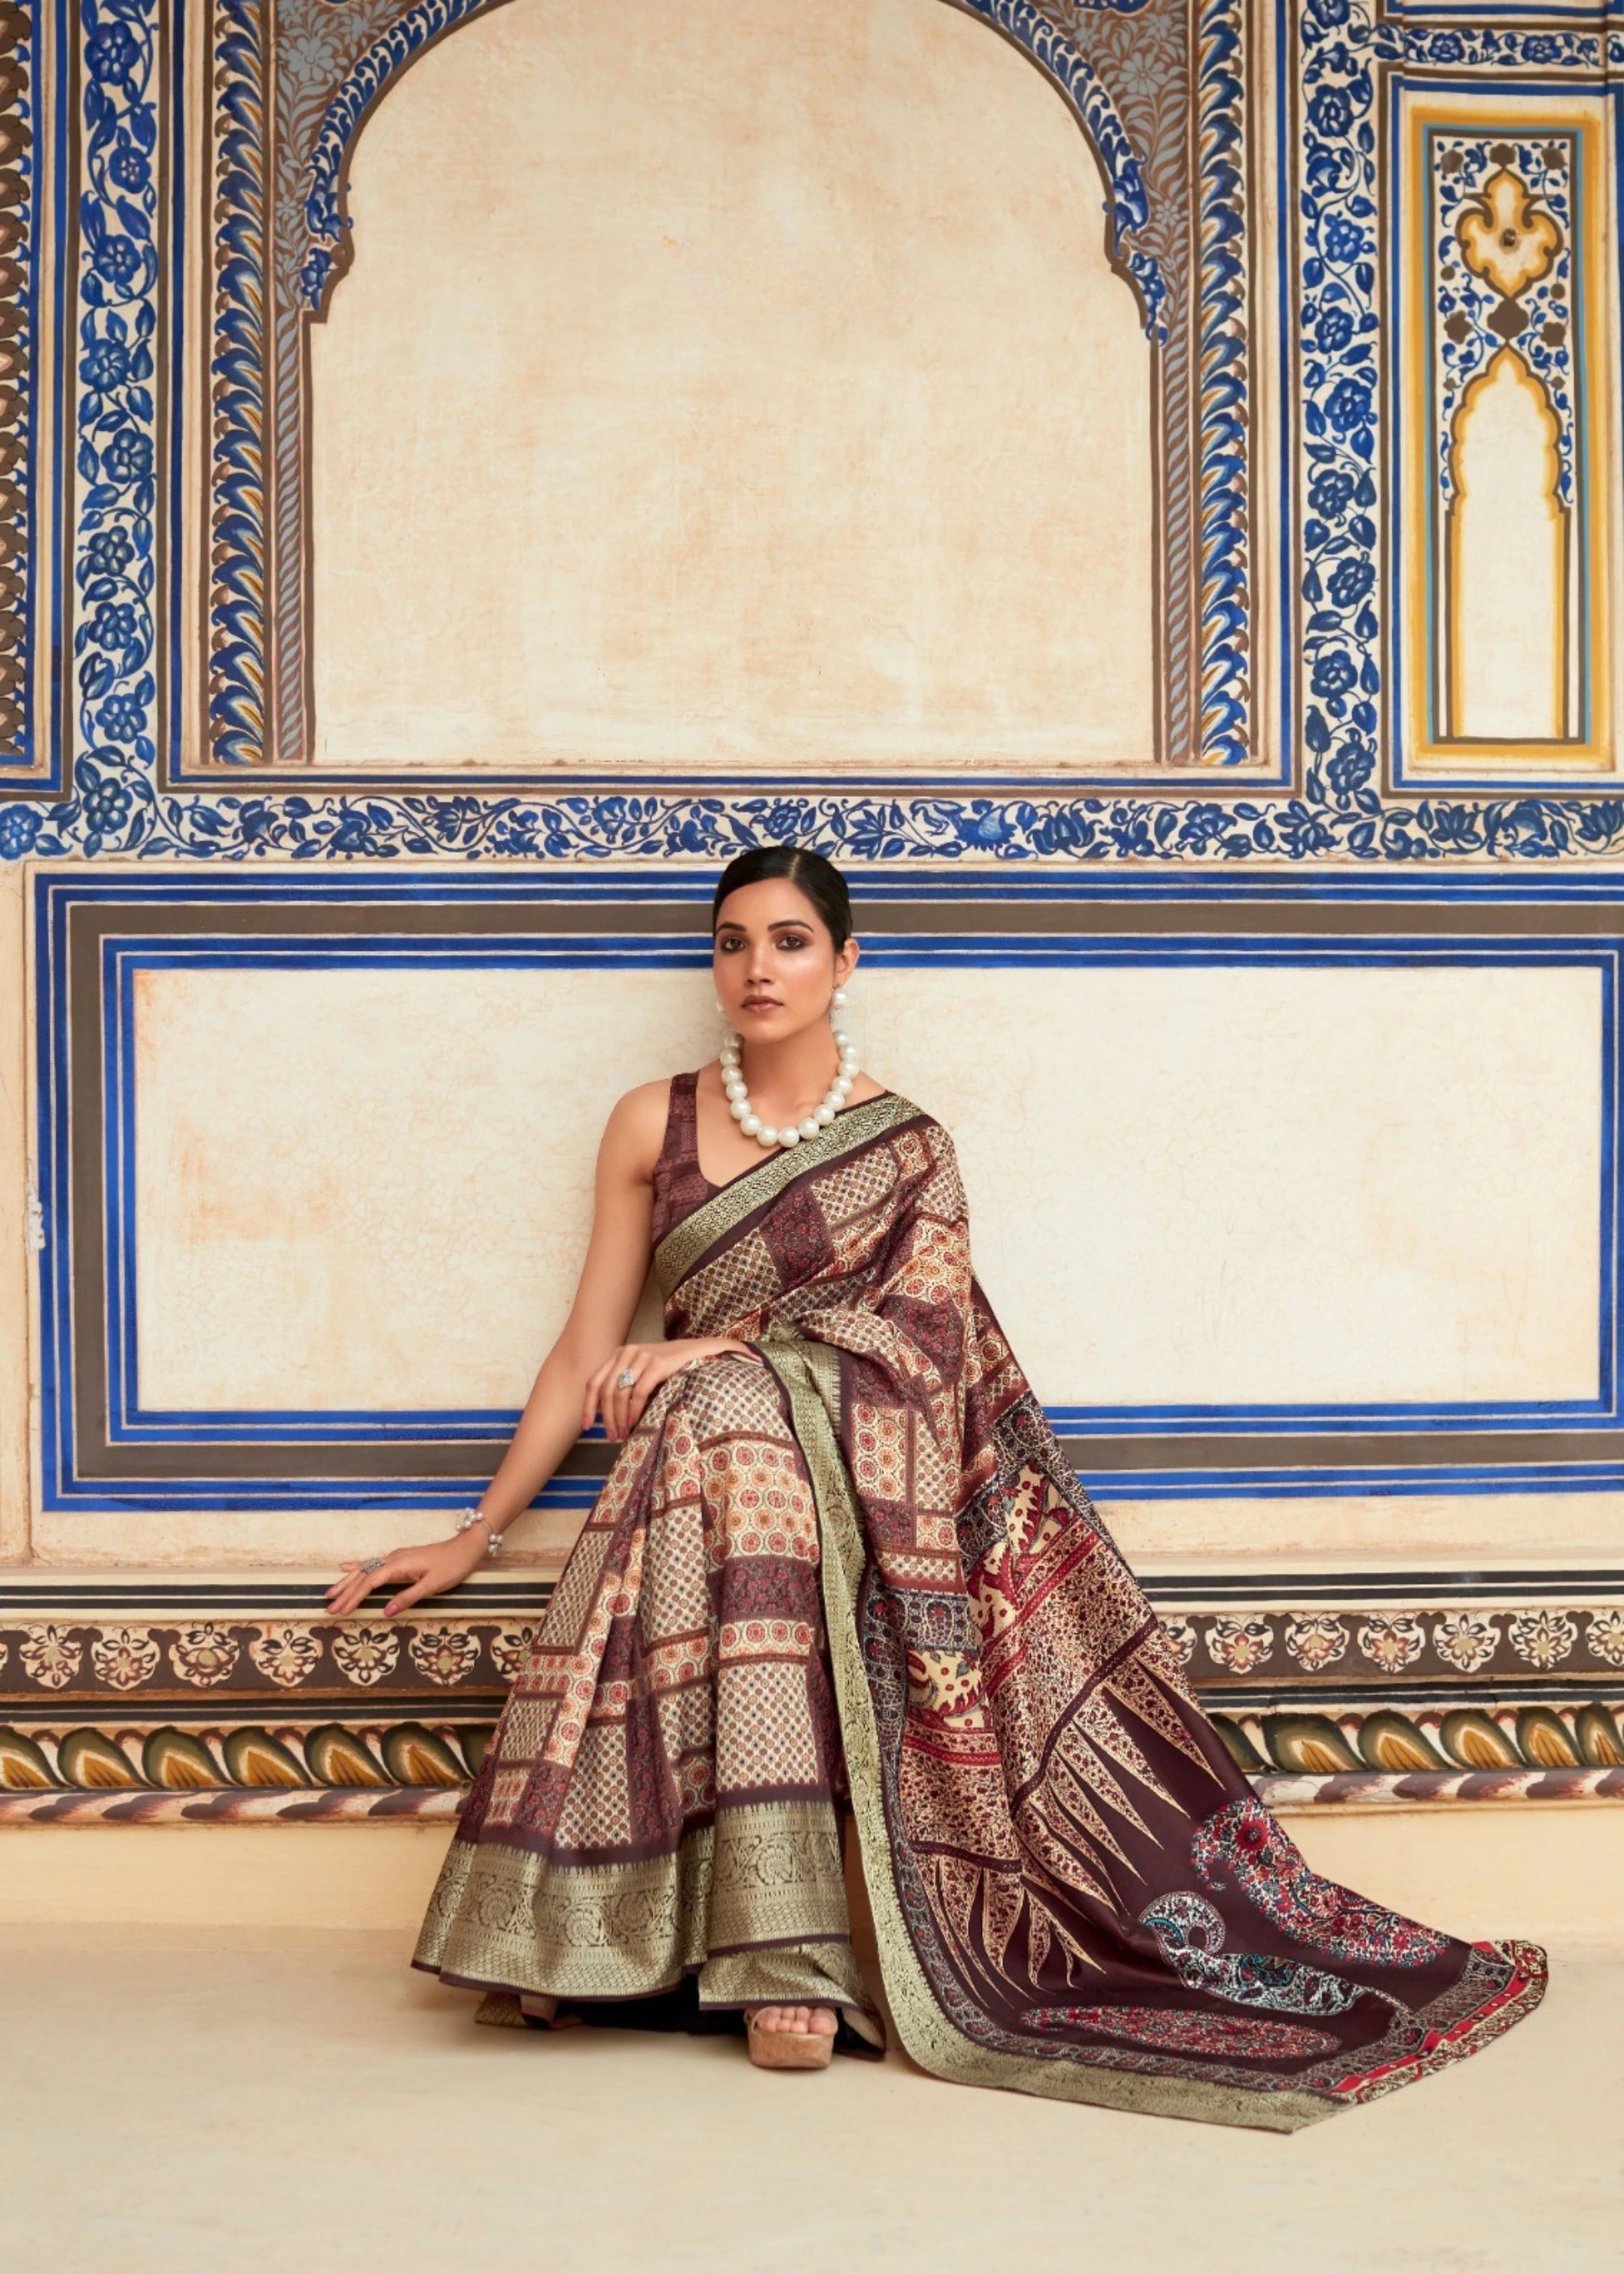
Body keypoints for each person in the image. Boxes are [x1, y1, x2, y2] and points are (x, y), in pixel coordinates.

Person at [328, 846, 1544, 2126]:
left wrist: (732, 1347)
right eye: (734, 942)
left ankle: (785, 1955)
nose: (759, 968)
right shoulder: (654, 1121)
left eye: (792, 941)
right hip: (710, 1488)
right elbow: (587, 1351)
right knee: (715, 1427)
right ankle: (678, 1941)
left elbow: (928, 1358)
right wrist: (478, 1530)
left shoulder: (909, 1150)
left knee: (726, 1408)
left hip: (859, 1495)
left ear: (847, 962)